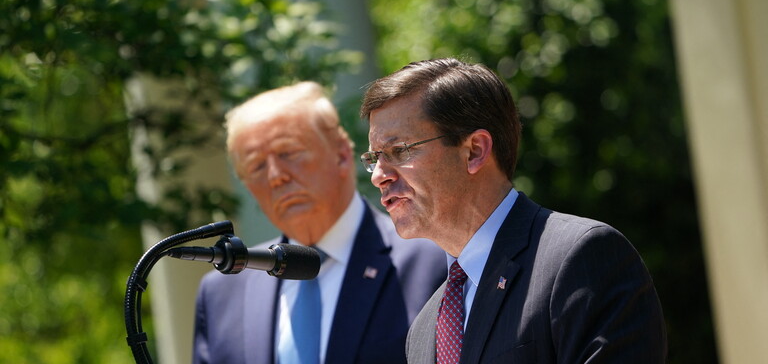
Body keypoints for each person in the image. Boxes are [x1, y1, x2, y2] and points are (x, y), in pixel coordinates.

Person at [359, 58, 667, 363]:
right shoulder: (424, 330)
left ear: (475, 151)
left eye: (399, 150)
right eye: (374, 158)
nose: (378, 176)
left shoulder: (581, 258)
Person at [192, 81, 446, 364]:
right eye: (257, 166)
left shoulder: (433, 260)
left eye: (288, 153)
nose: (276, 176)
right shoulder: (221, 294)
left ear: (341, 154)